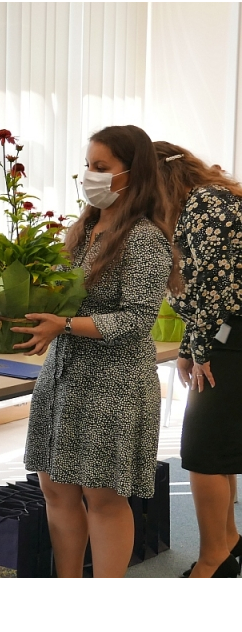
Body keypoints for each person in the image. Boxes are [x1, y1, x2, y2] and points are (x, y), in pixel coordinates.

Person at [13, 125, 178, 577]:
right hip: (64, 375)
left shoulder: (145, 237)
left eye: (102, 168)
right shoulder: (83, 227)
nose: (90, 175)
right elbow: (60, 295)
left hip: (114, 382)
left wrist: (63, 324)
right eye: (88, 165)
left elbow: (134, 321)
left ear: (133, 173)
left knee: (104, 496)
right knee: (56, 487)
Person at [156, 141, 242, 578]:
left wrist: (201, 350)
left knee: (203, 452)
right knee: (218, 449)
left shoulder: (208, 205)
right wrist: (191, 349)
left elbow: (215, 288)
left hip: (231, 337)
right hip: (225, 334)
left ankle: (215, 561)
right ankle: (228, 543)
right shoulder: (201, 202)